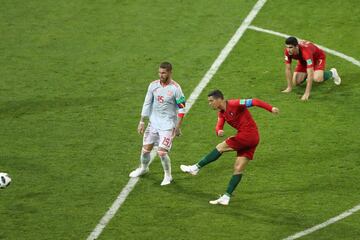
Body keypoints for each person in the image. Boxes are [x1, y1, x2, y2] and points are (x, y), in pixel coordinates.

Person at [180, 90, 279, 205]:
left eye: (211, 101)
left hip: (248, 135)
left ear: (219, 99)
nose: (210, 104)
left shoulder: (235, 104)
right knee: (238, 168)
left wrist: (270, 108)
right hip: (253, 139)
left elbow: (255, 101)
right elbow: (218, 126)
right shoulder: (222, 114)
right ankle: (226, 197)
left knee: (220, 147)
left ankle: (196, 168)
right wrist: (219, 131)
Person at [129, 62, 186, 186]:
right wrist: (142, 121)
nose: (161, 75)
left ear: (170, 72)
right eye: (159, 72)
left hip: (167, 125)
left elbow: (182, 109)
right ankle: (144, 168)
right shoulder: (153, 86)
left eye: (164, 73)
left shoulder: (176, 88)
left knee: (162, 152)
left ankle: (168, 175)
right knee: (145, 150)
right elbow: (147, 103)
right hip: (153, 124)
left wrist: (177, 126)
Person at [282, 36, 341, 101]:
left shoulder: (306, 52)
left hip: (317, 59)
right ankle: (308, 77)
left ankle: (332, 73)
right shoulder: (288, 52)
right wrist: (289, 87)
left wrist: (306, 93)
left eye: (290, 47)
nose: (288, 49)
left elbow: (310, 72)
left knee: (317, 78)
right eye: (287, 47)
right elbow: (288, 68)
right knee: (296, 82)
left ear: (296, 47)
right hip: (303, 61)